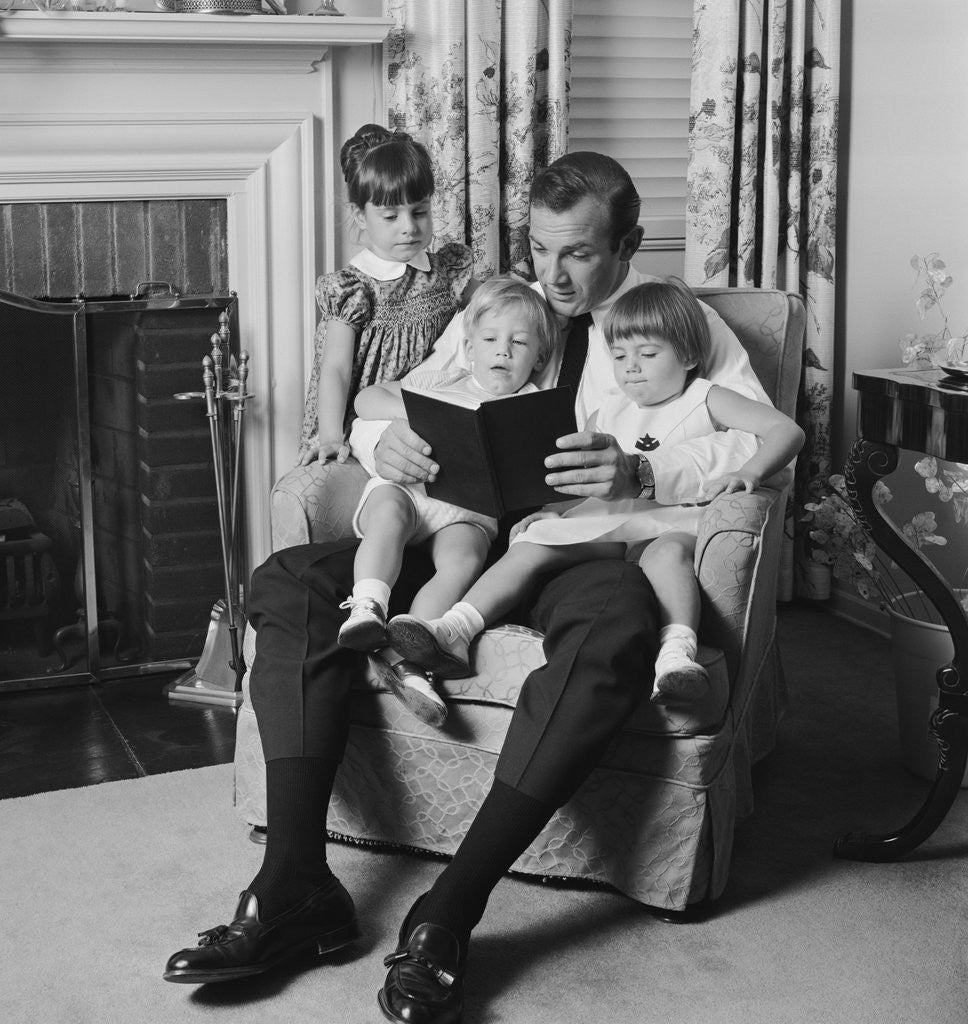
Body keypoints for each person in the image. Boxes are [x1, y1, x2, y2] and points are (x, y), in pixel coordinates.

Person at [163, 152, 777, 1024]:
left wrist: (644, 471)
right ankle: (294, 884)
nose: (552, 275)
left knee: (613, 639)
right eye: (539, 248)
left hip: (584, 548)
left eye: (578, 254)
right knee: (291, 580)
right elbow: (408, 400)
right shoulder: (499, 304)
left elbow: (756, 446)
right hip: (461, 529)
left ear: (628, 244)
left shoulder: (674, 319)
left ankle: (448, 911)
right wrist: (384, 444)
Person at [386, 278, 805, 707]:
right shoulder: (609, 410)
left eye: (648, 354)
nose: (631, 368)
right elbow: (578, 478)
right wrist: (553, 511)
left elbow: (785, 430)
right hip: (613, 522)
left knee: (667, 556)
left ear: (688, 355)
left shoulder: (707, 397)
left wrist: (750, 472)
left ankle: (676, 655)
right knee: (533, 543)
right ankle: (455, 629)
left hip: (673, 520)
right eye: (620, 356)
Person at [336, 276, 560, 726]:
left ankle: (414, 659)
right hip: (409, 490)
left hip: (467, 513)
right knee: (388, 515)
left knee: (464, 560)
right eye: (490, 340)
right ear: (470, 347)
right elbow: (366, 398)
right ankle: (368, 607)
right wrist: (417, 412)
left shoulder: (534, 409)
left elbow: (546, 477)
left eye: (519, 343)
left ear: (539, 357)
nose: (502, 352)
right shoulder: (440, 379)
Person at [297, 123, 475, 467]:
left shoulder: (446, 272)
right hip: (364, 422)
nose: (409, 227)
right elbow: (335, 369)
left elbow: (492, 302)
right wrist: (331, 436)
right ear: (361, 216)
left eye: (420, 211)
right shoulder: (354, 289)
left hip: (423, 415)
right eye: (391, 216)